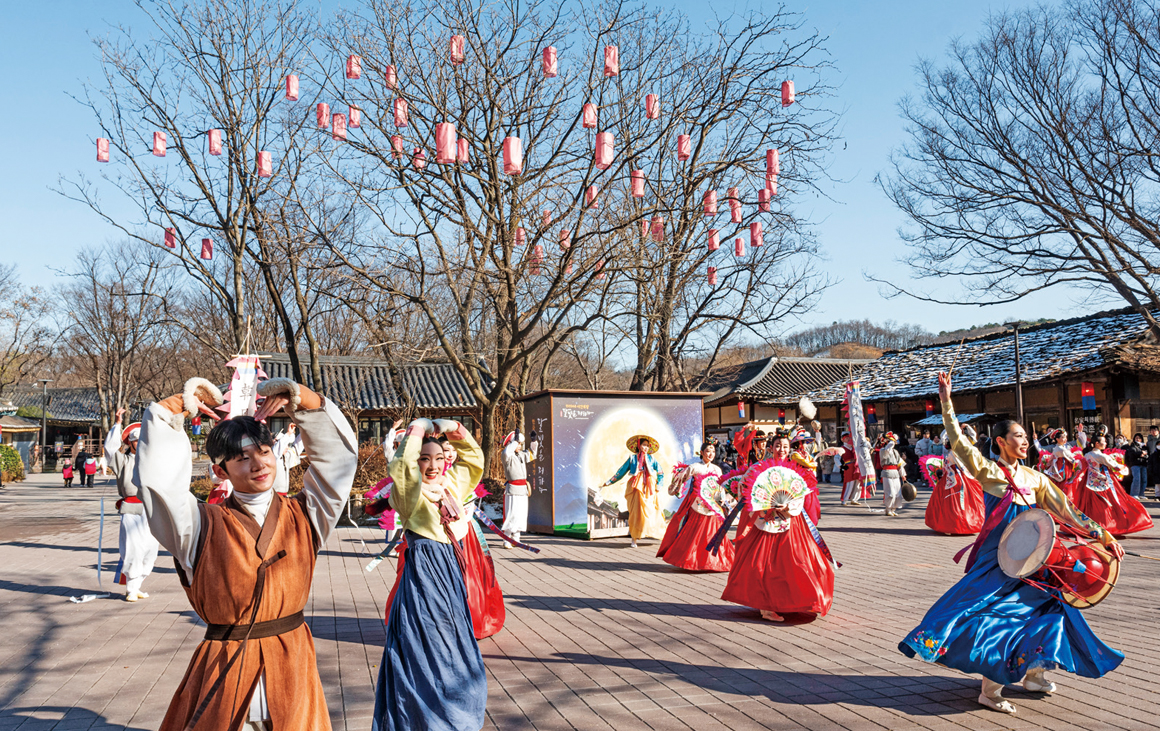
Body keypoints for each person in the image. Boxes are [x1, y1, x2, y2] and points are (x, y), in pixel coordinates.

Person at [136, 376, 357, 731]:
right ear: (220, 470)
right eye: (241, 458)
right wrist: (168, 413)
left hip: (292, 659)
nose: (258, 464)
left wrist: (309, 405)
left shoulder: (307, 515)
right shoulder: (199, 526)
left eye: (264, 451)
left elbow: (338, 466)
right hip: (225, 664)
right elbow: (159, 488)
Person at [900, 371, 1125, 716]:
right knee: (999, 618)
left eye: (1025, 436)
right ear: (1001, 442)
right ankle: (990, 690)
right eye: (1017, 436)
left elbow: (1068, 512)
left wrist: (1103, 536)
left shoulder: (1035, 478)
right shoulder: (990, 472)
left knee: (1052, 610)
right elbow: (959, 442)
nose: (1024, 440)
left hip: (1036, 560)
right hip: (1000, 561)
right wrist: (946, 402)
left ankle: (1034, 674)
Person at [373, 417, 487, 731]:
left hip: (450, 573)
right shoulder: (410, 493)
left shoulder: (450, 487)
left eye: (439, 458)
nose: (433, 465)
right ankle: (426, 715)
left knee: (454, 642)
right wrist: (417, 430)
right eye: (425, 459)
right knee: (425, 645)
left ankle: (456, 707)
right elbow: (400, 468)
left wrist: (453, 428)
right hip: (423, 575)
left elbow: (475, 460)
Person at [721, 432, 836, 622]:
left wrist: (788, 505)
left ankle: (791, 601)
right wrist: (763, 503)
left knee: (797, 563)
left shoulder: (794, 470)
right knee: (763, 565)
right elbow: (745, 489)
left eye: (784, 446)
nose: (781, 450)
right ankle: (766, 607)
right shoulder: (757, 468)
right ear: (770, 448)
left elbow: (800, 494)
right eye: (777, 446)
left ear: (789, 448)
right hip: (764, 522)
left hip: (790, 521)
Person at [104, 409, 159, 602]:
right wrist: (118, 423)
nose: (138, 443)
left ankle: (138, 585)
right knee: (133, 548)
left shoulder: (154, 461)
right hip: (132, 508)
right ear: (130, 443)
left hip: (152, 509)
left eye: (141, 439)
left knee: (151, 549)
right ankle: (130, 587)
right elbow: (110, 450)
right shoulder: (124, 461)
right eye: (135, 440)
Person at [657, 442, 730, 571]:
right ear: (701, 453)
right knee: (694, 534)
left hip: (712, 504)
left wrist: (722, 499)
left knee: (713, 533)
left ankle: (711, 561)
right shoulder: (695, 467)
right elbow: (681, 477)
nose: (710, 454)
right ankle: (692, 560)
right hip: (698, 504)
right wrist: (676, 488)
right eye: (707, 451)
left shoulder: (717, 469)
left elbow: (720, 486)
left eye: (713, 452)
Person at [1071, 434, 1154, 537]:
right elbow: (1115, 466)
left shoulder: (1088, 455)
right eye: (1104, 441)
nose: (1106, 443)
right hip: (1104, 483)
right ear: (1097, 443)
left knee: (1090, 506)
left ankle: (1087, 526)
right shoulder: (1101, 456)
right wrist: (1124, 468)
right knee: (1111, 504)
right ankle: (1107, 525)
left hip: (1089, 483)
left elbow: (1081, 465)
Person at [599, 435, 666, 548]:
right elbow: (621, 472)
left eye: (647, 445)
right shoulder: (632, 458)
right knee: (635, 512)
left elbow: (660, 472)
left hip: (649, 487)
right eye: (643, 445)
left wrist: (659, 485)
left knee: (653, 510)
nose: (645, 448)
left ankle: (658, 534)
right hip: (636, 486)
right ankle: (634, 539)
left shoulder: (652, 459)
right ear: (639, 446)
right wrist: (609, 482)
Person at [922, 427, 985, 535]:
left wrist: (950, 427)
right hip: (959, 477)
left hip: (952, 478)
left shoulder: (951, 453)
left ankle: (950, 525)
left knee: (949, 503)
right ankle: (960, 524)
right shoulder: (957, 453)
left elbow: (944, 437)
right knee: (960, 502)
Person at [500, 429, 538, 548]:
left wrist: (534, 441)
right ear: (511, 444)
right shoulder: (506, 456)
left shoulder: (521, 455)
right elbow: (508, 452)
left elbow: (533, 454)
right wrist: (515, 441)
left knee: (521, 514)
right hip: (512, 489)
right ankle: (507, 539)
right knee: (512, 514)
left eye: (521, 444)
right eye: (517, 443)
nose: (519, 446)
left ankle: (516, 539)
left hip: (522, 489)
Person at [1040, 429, 1080, 498]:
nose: (1065, 439)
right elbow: (1072, 459)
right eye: (1063, 437)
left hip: (1061, 468)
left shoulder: (1058, 447)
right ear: (1057, 439)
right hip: (1065, 469)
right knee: (1067, 487)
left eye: (1065, 437)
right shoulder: (1061, 449)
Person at [878, 432, 906, 517]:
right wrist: (890, 441)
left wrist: (903, 475)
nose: (893, 443)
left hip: (896, 473)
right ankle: (888, 509)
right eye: (891, 442)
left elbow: (900, 464)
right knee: (890, 493)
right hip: (887, 473)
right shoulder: (883, 451)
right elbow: (887, 449)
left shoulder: (895, 452)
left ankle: (893, 509)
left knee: (898, 493)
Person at [1126, 434, 1149, 498]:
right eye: (1136, 438)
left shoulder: (1144, 447)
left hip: (1143, 464)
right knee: (1137, 479)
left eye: (1139, 438)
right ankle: (1134, 494)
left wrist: (1144, 455)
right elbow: (1132, 453)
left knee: (1144, 480)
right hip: (1135, 464)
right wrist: (1141, 453)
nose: (1138, 439)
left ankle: (1141, 493)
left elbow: (1147, 455)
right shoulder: (1132, 446)